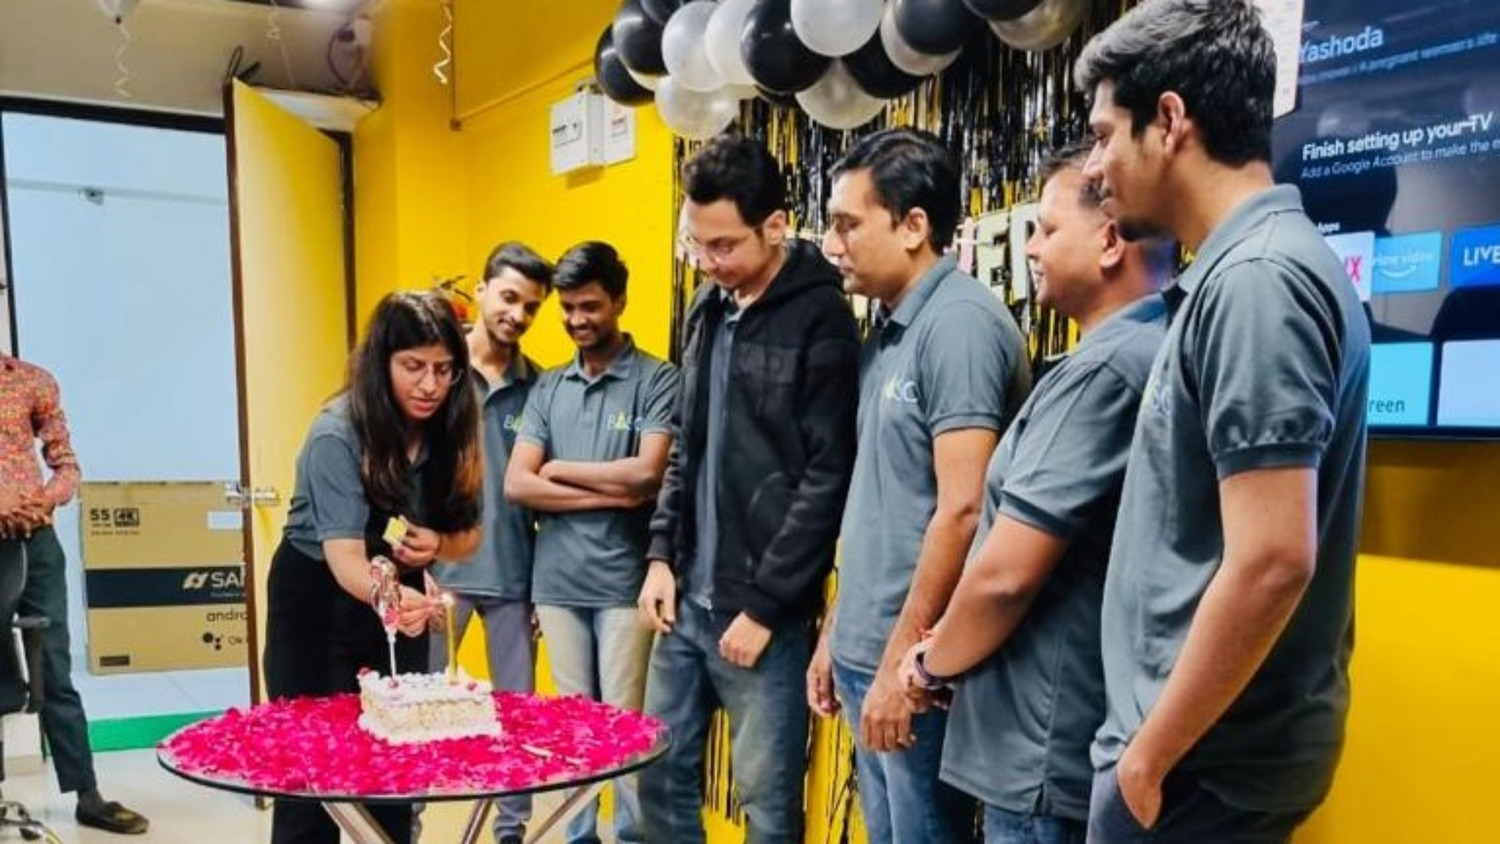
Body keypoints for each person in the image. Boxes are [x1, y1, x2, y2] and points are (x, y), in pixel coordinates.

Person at [1073, 1, 1371, 840]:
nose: (1093, 167)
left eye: (1104, 135)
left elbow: (1274, 558)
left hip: (1197, 769)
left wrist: (1147, 758)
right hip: (1193, 759)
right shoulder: (1242, 272)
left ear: (1170, 120)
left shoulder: (1257, 282)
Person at [894, 143, 1173, 843]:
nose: (1032, 248)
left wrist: (929, 663)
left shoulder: (1106, 371)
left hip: (1046, 747)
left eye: (1046, 229)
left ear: (1110, 239)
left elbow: (1005, 577)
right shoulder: (1150, 348)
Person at [636, 134, 860, 844]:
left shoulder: (822, 317)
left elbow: (827, 474)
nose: (708, 262)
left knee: (766, 803)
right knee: (657, 774)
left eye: (724, 245)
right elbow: (686, 443)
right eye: (697, 244)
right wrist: (660, 557)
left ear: (776, 226)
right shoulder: (708, 306)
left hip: (765, 616)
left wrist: (766, 604)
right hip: (685, 600)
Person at [812, 127, 1030, 844]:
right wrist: (837, 632)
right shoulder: (888, 331)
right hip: (865, 647)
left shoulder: (959, 324)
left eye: (848, 224)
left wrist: (898, 669)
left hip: (912, 668)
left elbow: (962, 511)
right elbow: (882, 499)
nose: (832, 244)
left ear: (913, 226)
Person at [263, 292, 482, 844]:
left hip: (390, 592)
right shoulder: (336, 433)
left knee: (391, 771)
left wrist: (437, 544)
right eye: (413, 366)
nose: (430, 385)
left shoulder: (451, 426)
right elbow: (346, 563)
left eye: (444, 370)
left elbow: (470, 536)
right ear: (379, 363)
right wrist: (395, 599)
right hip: (315, 601)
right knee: (313, 781)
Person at [504, 241, 677, 844]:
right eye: (568, 308)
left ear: (620, 301)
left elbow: (647, 475)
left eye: (590, 307)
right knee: (573, 730)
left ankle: (629, 837)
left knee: (624, 726)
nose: (577, 320)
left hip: (624, 585)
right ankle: (577, 836)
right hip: (556, 585)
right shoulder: (549, 387)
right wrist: (610, 492)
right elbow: (518, 483)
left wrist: (560, 470)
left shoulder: (657, 378)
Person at [426, 242, 553, 844]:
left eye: (531, 306)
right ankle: (406, 824)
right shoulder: (439, 377)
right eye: (508, 297)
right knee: (419, 714)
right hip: (436, 579)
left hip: (513, 578)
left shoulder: (541, 389)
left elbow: (546, 497)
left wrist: (542, 587)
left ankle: (510, 831)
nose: (517, 314)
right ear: (480, 290)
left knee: (516, 720)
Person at [0, 353, 149, 834]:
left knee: (55, 670)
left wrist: (45, 497)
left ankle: (88, 795)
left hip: (38, 543)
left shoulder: (31, 380)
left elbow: (66, 464)